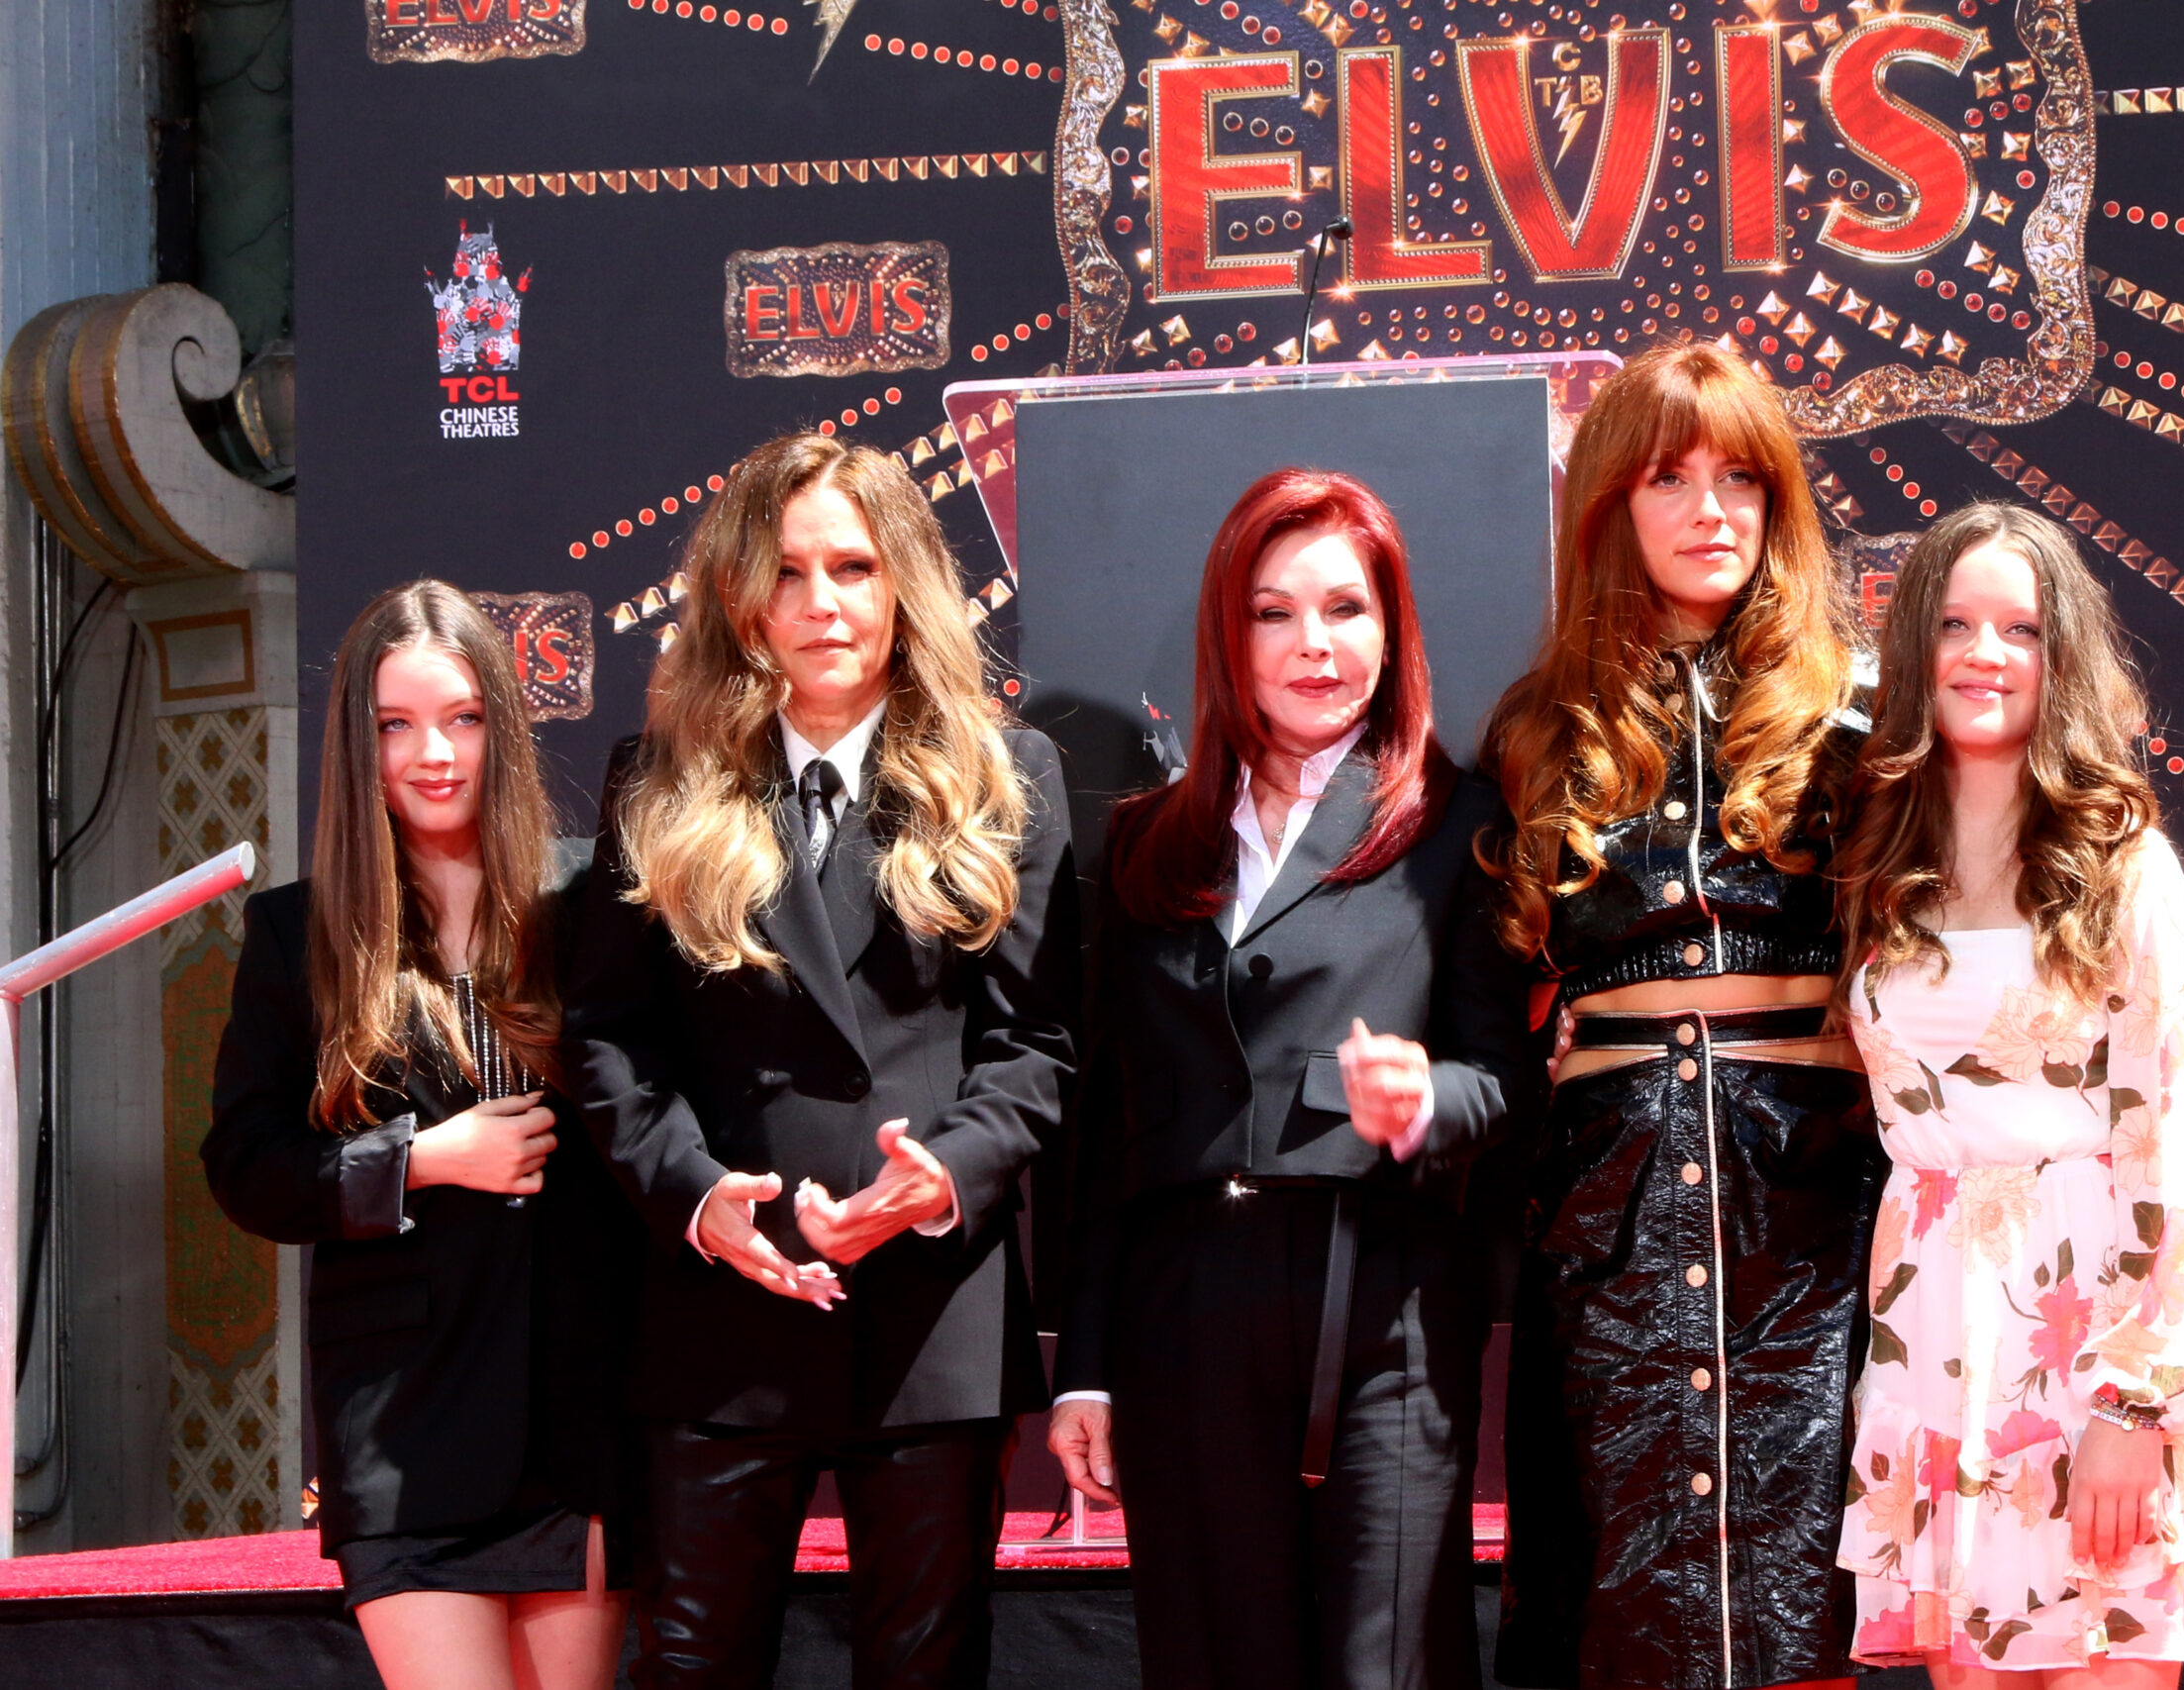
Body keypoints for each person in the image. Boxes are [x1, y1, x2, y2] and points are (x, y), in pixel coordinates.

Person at [558, 434, 1078, 1690]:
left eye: (852, 566)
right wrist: (695, 1199)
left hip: (928, 1316)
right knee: (693, 1665)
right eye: (788, 573)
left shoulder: (1006, 779)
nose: (823, 603)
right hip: (717, 1313)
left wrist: (941, 1175)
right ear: (742, 600)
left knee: (925, 1666)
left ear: (903, 582)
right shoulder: (662, 780)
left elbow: (1040, 1046)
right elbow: (609, 1044)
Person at [1043, 467, 1539, 1690]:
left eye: (1346, 609)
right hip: (1181, 1325)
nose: (1313, 646)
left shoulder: (1457, 826)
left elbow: (1508, 1083)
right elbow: (1106, 1130)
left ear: (1393, 625)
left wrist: (1423, 1101)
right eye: (1274, 613)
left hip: (1381, 1313)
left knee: (1389, 1666)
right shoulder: (1148, 843)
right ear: (1230, 631)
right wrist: (1088, 1367)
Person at [1832, 503, 2184, 1683]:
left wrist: (2132, 1409)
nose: (1982, 653)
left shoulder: (2123, 867)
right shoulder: (1877, 861)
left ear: (2063, 655)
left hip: (2094, 1331)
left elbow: (2179, 1150)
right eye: (1952, 622)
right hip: (1939, 1333)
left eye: (2019, 629)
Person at [1481, 339, 1887, 1690]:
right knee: (1618, 1585)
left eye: (1743, 479)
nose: (1712, 508)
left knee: (1807, 1576)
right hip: (1608, 1195)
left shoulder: (1854, 719)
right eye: (1670, 477)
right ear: (1610, 502)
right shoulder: (1539, 733)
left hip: (1816, 1199)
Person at [204, 581, 636, 1690]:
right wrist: (420, 1162)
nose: (431, 753)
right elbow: (244, 1169)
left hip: (576, 1410)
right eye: (394, 725)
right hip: (400, 1421)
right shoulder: (296, 933)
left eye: (461, 719)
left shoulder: (591, 900)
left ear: (503, 723)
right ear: (359, 745)